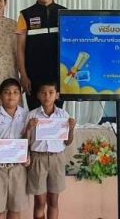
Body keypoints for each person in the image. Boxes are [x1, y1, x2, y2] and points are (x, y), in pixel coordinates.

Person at [26, 82, 76, 219]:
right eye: (43, 93)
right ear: (38, 95)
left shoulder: (63, 115)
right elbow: (26, 142)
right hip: (38, 159)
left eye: (51, 92)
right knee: (39, 201)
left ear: (57, 95)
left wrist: (71, 129)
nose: (47, 96)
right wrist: (29, 128)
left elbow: (67, 142)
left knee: (53, 201)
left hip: (56, 159)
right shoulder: (32, 115)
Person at [16, 0, 66, 109]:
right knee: (35, 113)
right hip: (33, 75)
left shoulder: (65, 13)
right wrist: (23, 75)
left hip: (58, 74)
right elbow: (20, 48)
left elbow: (72, 46)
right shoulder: (25, 15)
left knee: (57, 113)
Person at [0, 78, 30, 219]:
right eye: (7, 92)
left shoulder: (26, 115)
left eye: (15, 92)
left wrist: (27, 155)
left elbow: (29, 140)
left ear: (20, 95)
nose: (11, 96)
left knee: (15, 210)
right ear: (0, 95)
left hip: (18, 169)